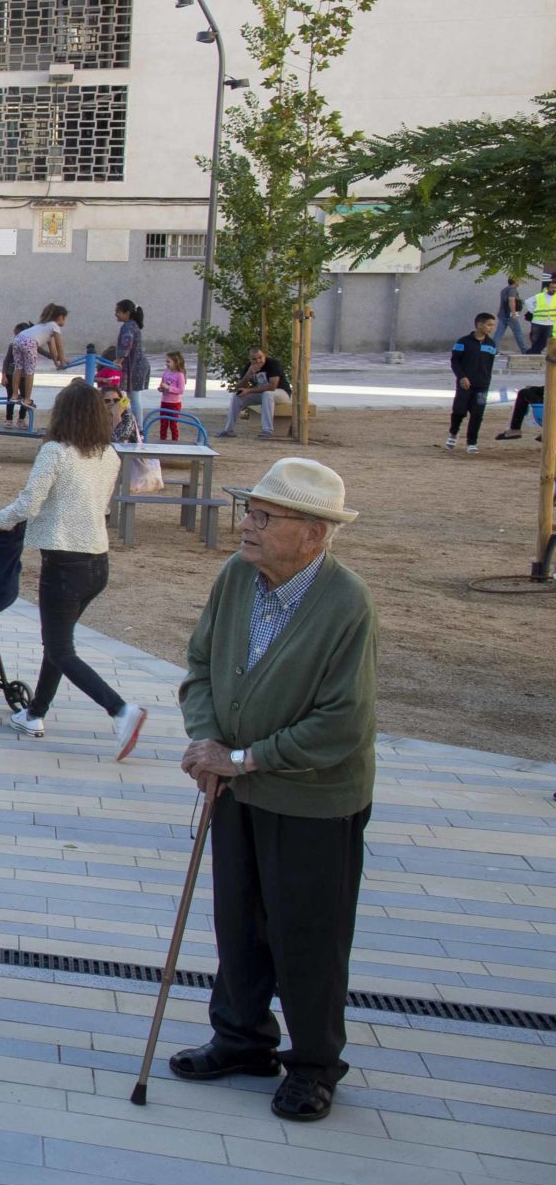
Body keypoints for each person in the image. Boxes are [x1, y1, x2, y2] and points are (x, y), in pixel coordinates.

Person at [170, 458, 378, 1123]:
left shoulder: (346, 604)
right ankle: (240, 1036)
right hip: (236, 787)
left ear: (314, 533)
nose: (247, 525)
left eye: (265, 516)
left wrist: (246, 757)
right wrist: (209, 744)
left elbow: (340, 724)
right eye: (249, 509)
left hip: (314, 799)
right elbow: (201, 664)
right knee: (237, 917)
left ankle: (314, 1062)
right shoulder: (237, 577)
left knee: (307, 932)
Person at [0, 380, 148, 759]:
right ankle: (34, 713)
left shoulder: (55, 453)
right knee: (57, 643)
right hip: (98, 562)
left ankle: (120, 709)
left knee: (60, 648)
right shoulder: (108, 455)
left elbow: (30, 503)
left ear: (62, 413)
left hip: (64, 562)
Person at [448, 313, 497, 452]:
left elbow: (489, 365)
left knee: (477, 414)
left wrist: (486, 381)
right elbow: (455, 361)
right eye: (489, 324)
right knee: (459, 411)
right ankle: (453, 432)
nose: (491, 328)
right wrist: (462, 377)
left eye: (493, 325)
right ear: (479, 324)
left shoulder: (491, 344)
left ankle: (472, 442)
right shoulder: (463, 342)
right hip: (465, 384)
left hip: (482, 386)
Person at [8, 305, 67, 418]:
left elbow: (52, 349)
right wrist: (62, 362)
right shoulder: (55, 326)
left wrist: (56, 362)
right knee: (30, 372)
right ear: (61, 317)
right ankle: (27, 399)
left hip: (18, 340)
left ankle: (15, 395)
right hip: (30, 343)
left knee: (18, 367)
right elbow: (59, 346)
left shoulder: (43, 326)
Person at [223, 347, 290, 438]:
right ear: (250, 359)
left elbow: (272, 387)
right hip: (263, 394)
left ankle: (267, 430)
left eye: (260, 357)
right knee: (237, 395)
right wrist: (248, 374)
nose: (258, 361)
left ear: (264, 355)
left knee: (267, 394)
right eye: (254, 359)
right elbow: (239, 387)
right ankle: (228, 430)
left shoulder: (273, 364)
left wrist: (249, 390)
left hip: (281, 393)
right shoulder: (249, 367)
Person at [108, 300, 151, 422]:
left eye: (118, 312)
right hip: (134, 365)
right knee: (129, 395)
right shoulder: (132, 325)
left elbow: (127, 343)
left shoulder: (128, 326)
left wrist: (118, 360)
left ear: (127, 313)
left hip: (135, 367)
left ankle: (139, 425)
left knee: (134, 396)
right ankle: (124, 416)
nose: (115, 314)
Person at [0, 322, 29, 423]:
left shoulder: (32, 344)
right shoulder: (13, 345)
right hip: (11, 374)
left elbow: (44, 353)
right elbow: (6, 360)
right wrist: (3, 375)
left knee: (25, 397)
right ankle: (9, 419)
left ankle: (21, 419)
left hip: (24, 376)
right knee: (11, 397)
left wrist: (57, 359)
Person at [495, 275, 532, 357]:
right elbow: (511, 301)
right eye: (519, 280)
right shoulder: (512, 290)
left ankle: (493, 349)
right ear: (515, 281)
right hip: (510, 315)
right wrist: (514, 313)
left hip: (503, 315)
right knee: (518, 333)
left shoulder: (504, 289)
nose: (520, 282)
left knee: (499, 333)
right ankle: (524, 350)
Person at [157, 350, 189, 441]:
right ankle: (162, 441)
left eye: (168, 361)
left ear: (176, 362)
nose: (166, 364)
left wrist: (169, 388)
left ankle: (175, 442)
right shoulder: (166, 373)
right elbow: (162, 384)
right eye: (166, 361)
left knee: (173, 424)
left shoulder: (180, 375)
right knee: (163, 424)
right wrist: (161, 388)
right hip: (164, 402)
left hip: (174, 404)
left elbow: (181, 390)